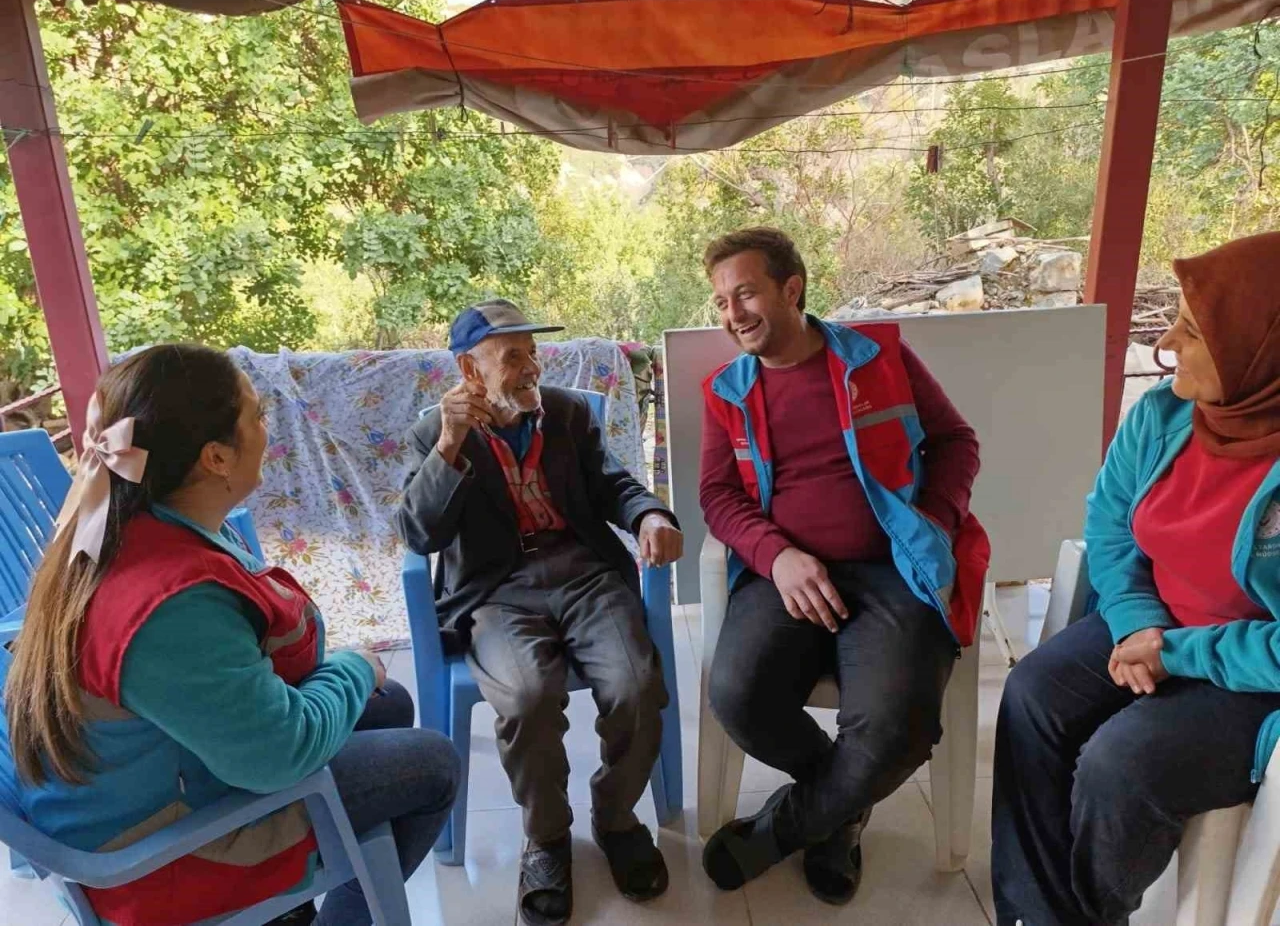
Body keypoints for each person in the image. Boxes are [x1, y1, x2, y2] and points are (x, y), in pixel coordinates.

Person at [0, 345, 459, 926]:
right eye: (258, 415)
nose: (268, 430)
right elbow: (280, 754)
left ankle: (293, 907)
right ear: (215, 457)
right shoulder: (169, 602)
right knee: (432, 765)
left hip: (150, 777)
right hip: (159, 853)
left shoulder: (130, 523)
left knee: (386, 703)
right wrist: (354, 666)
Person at [992, 232, 1280, 926]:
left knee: (1120, 764)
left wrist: (1173, 652)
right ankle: (1039, 913)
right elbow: (1111, 526)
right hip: (1152, 618)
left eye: (1193, 330)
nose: (1166, 344)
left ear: (1260, 351)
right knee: (1031, 696)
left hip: (1251, 673)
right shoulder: (1163, 415)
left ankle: (1089, 912)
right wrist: (1138, 622)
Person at [697, 227, 986, 904]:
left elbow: (955, 441)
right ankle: (842, 803)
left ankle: (790, 826)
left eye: (745, 293)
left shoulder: (877, 357)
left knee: (895, 727)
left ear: (791, 288)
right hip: (786, 577)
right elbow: (717, 495)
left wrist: (931, 520)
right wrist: (778, 556)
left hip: (893, 569)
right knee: (738, 694)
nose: (732, 314)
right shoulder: (725, 391)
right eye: (721, 302)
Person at [396, 299, 683, 926]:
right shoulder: (436, 434)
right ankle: (548, 838)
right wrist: (450, 446)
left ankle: (615, 817)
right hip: (497, 591)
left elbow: (612, 483)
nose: (530, 367)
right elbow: (420, 534)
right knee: (527, 697)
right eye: (511, 357)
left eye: (532, 352)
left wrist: (649, 514)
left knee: (636, 686)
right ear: (470, 370)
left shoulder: (568, 413)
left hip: (585, 575)